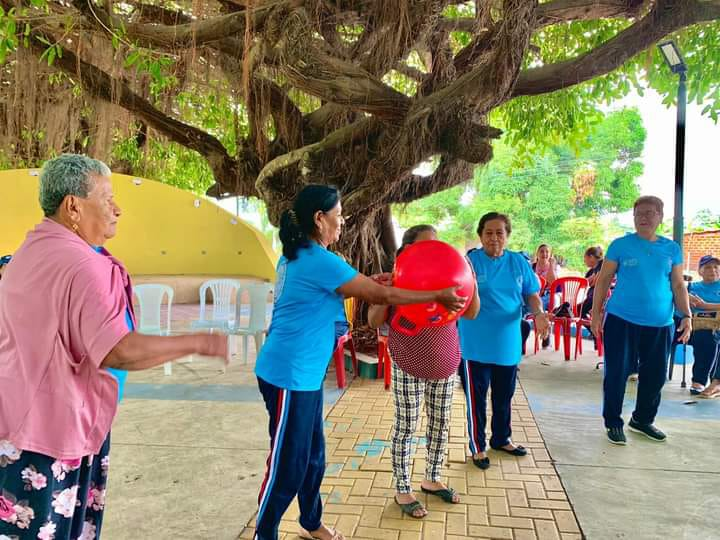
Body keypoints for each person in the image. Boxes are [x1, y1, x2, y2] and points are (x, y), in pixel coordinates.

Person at [0, 154, 228, 539]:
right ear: (73, 206)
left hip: (15, 421)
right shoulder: (82, 265)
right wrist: (196, 341)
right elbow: (116, 350)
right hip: (55, 433)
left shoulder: (30, 250)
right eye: (107, 199)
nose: (117, 209)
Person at [252, 185, 465, 540]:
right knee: (288, 463)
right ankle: (264, 533)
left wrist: (376, 282)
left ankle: (310, 522)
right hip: (289, 375)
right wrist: (437, 295)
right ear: (319, 219)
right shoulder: (317, 259)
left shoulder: (300, 254)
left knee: (313, 456)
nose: (343, 222)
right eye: (338, 215)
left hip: (301, 375)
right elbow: (381, 294)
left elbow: (353, 286)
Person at [367, 225, 480, 519]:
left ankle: (432, 478)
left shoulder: (450, 278)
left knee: (440, 424)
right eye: (425, 246)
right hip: (408, 362)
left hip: (445, 361)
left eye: (437, 245)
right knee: (406, 426)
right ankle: (403, 488)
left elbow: (471, 312)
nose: (435, 251)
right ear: (407, 251)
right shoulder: (396, 280)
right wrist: (385, 295)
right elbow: (373, 321)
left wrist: (470, 279)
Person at [591, 195, 692, 445]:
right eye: (639, 213)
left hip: (660, 323)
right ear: (634, 217)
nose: (644, 217)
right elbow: (603, 280)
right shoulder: (620, 245)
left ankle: (642, 420)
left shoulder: (671, 249)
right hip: (621, 320)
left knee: (655, 376)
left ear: (660, 217)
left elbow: (678, 285)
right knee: (617, 373)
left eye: (650, 213)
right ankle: (613, 422)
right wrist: (596, 313)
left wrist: (687, 315)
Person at [458, 212, 550, 470]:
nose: (494, 238)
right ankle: (477, 446)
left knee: (504, 395)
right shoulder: (469, 262)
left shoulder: (518, 262)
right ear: (480, 236)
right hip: (475, 343)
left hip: (507, 342)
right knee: (476, 399)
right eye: (488, 233)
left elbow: (531, 294)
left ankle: (501, 438)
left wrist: (539, 314)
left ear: (507, 235)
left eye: (500, 233)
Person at [686, 255, 720, 398]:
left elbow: (701, 306)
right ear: (700, 271)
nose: (713, 270)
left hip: (714, 328)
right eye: (708, 267)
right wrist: (686, 298)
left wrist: (704, 305)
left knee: (707, 337)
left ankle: (699, 380)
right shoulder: (691, 287)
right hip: (691, 325)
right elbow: (679, 302)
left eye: (716, 267)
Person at [580, 246, 604, 320]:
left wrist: (592, 280)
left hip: (598, 297)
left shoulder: (602, 264)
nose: (584, 261)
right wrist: (591, 279)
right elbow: (584, 283)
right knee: (578, 310)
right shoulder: (592, 270)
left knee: (580, 311)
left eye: (585, 258)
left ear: (591, 257)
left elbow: (594, 282)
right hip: (591, 296)